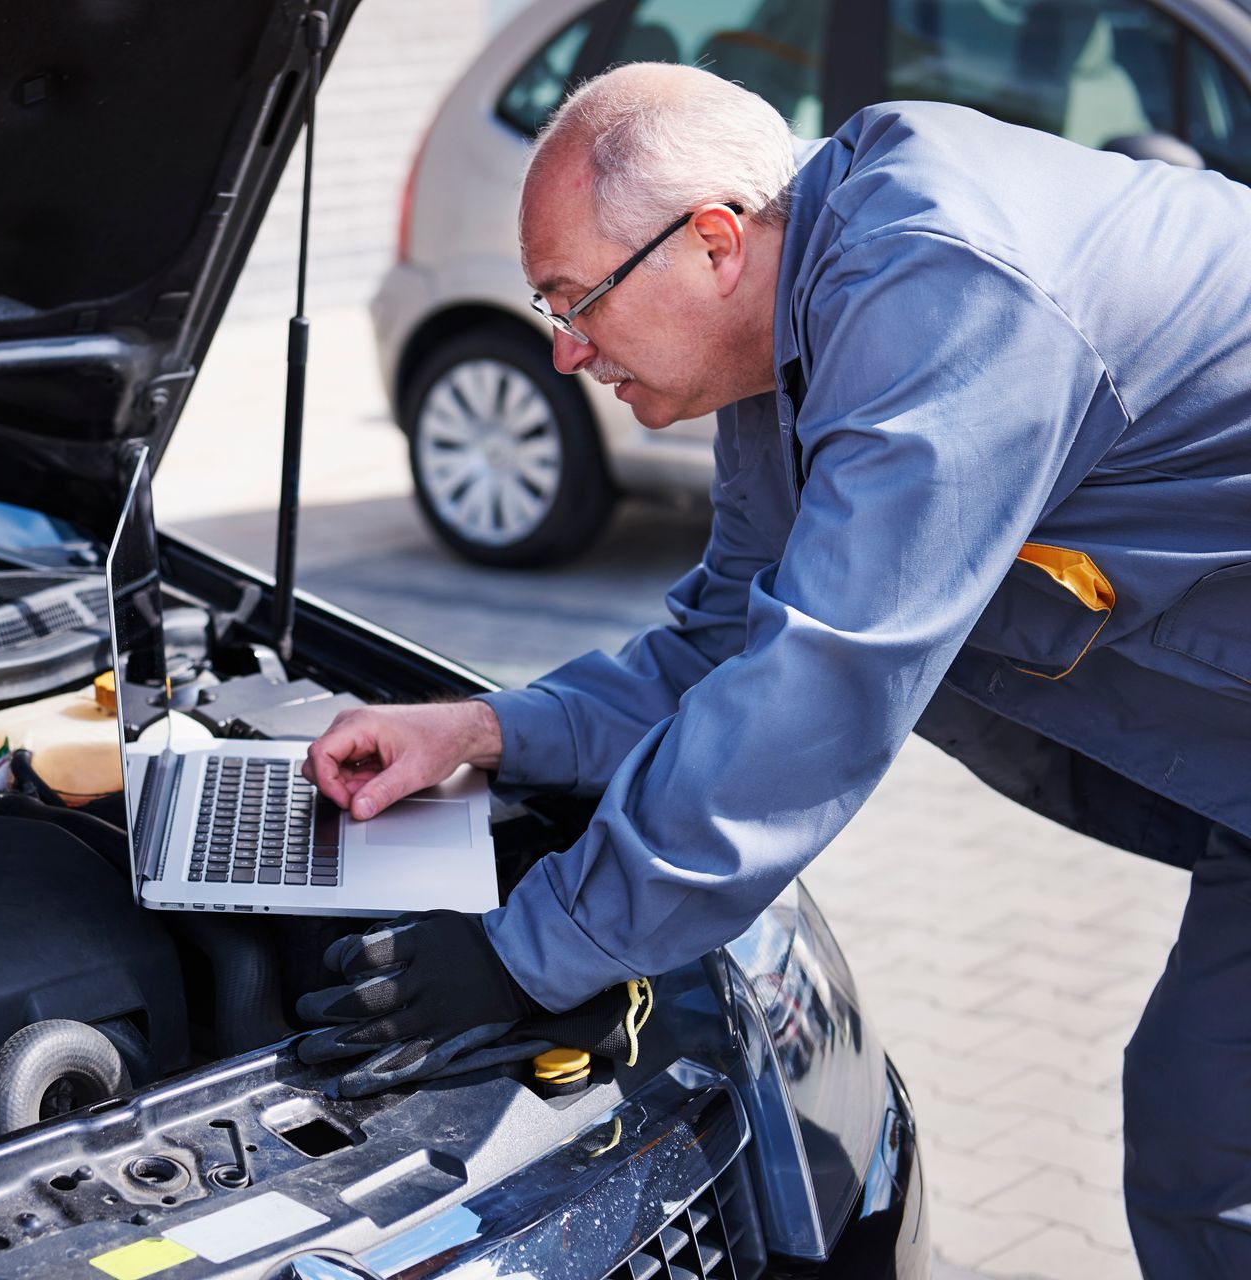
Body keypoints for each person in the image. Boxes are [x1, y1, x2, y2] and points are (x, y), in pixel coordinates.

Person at [296, 63, 1251, 1278]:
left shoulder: (944, 288)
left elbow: (818, 685)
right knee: (1207, 1136)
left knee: (1214, 1154)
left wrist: (526, 951)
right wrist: (482, 730)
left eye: (572, 300)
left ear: (710, 241)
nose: (565, 353)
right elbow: (730, 641)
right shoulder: (797, 334)